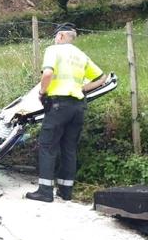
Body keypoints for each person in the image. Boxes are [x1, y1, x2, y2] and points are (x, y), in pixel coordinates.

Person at [26, 23, 106, 203]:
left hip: (58, 105)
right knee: (69, 147)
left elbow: (47, 74)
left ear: (61, 36)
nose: (55, 39)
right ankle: (65, 191)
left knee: (48, 145)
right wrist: (83, 88)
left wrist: (42, 93)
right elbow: (102, 78)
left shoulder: (54, 50)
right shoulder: (81, 55)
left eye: (56, 36)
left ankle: (45, 191)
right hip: (78, 106)